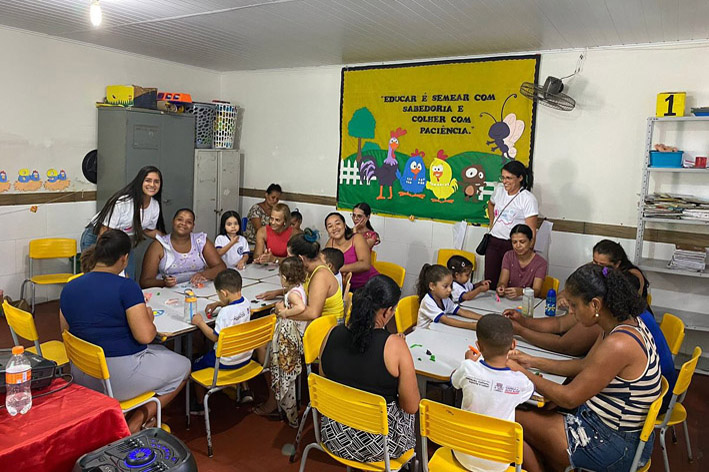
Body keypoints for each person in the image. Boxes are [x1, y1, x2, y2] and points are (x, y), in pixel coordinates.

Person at [507, 264, 662, 472]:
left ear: (595, 305)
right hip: (612, 430)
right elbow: (585, 366)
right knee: (527, 426)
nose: (570, 311)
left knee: (507, 416)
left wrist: (522, 373)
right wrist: (531, 361)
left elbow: (569, 397)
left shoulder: (619, 344)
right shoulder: (621, 325)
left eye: (574, 305)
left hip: (613, 445)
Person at [59, 229, 190, 433]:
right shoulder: (126, 287)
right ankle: (137, 420)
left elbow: (66, 331)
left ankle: (130, 414)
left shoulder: (69, 287)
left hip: (81, 373)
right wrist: (148, 317)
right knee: (183, 365)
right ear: (124, 259)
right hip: (116, 378)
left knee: (161, 353)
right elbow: (145, 335)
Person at [319, 275, 419, 463]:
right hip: (379, 446)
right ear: (387, 312)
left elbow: (325, 379)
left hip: (333, 435)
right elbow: (411, 406)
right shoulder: (395, 346)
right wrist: (398, 348)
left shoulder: (332, 333)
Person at [250, 230, 344, 421]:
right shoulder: (314, 269)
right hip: (318, 326)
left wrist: (283, 312)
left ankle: (276, 398)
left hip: (324, 334)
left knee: (264, 344)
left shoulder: (320, 276)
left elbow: (312, 312)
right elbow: (302, 291)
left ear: (301, 258)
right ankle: (280, 393)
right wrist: (278, 292)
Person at [451, 314, 535, 472]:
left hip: (462, 453)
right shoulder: (520, 381)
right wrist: (518, 369)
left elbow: (454, 381)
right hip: (499, 462)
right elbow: (530, 392)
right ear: (513, 345)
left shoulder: (468, 368)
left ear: (479, 346)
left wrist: (467, 361)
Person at [80, 166, 165, 279]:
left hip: (123, 241)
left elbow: (147, 229)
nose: (152, 185)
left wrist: (168, 240)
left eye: (156, 182)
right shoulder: (123, 202)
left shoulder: (154, 205)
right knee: (100, 279)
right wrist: (104, 256)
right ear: (140, 182)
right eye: (148, 180)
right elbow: (104, 230)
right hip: (99, 238)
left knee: (128, 278)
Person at [190, 269, 254, 413]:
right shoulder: (247, 303)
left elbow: (214, 337)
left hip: (225, 361)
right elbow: (234, 309)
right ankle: (245, 390)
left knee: (193, 365)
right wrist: (219, 303)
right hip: (245, 356)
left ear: (224, 293)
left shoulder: (225, 314)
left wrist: (200, 323)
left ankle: (200, 405)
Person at [139, 209, 226, 288]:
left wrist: (203, 274)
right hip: (167, 294)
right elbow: (145, 282)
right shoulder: (159, 245)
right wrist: (164, 283)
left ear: (193, 226)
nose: (183, 224)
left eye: (189, 222)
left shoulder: (201, 241)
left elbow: (221, 267)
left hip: (198, 290)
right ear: (173, 221)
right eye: (180, 219)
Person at [484, 161, 538, 287]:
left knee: (510, 283)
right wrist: (492, 223)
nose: (505, 181)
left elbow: (531, 230)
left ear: (520, 178)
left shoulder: (528, 199)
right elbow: (490, 204)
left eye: (509, 178)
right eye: (503, 177)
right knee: (490, 281)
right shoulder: (499, 190)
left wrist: (528, 252)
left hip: (513, 245)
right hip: (494, 241)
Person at [416, 264, 481, 330]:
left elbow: (461, 311)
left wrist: (482, 318)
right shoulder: (427, 301)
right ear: (432, 286)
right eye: (445, 286)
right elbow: (446, 320)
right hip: (423, 335)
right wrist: (471, 325)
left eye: (450, 286)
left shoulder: (444, 298)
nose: (450, 290)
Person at [325, 212, 378, 291]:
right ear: (327, 231)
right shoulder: (330, 244)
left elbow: (365, 265)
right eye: (330, 226)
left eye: (337, 223)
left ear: (344, 224)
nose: (334, 228)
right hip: (347, 288)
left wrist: (340, 268)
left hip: (369, 284)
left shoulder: (357, 238)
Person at [496, 224, 547, 298]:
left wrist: (522, 292)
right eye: (514, 242)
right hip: (509, 300)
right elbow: (502, 281)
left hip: (529, 303)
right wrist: (501, 287)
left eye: (522, 242)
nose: (518, 245)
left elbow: (537, 291)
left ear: (531, 242)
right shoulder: (508, 256)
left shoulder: (541, 263)